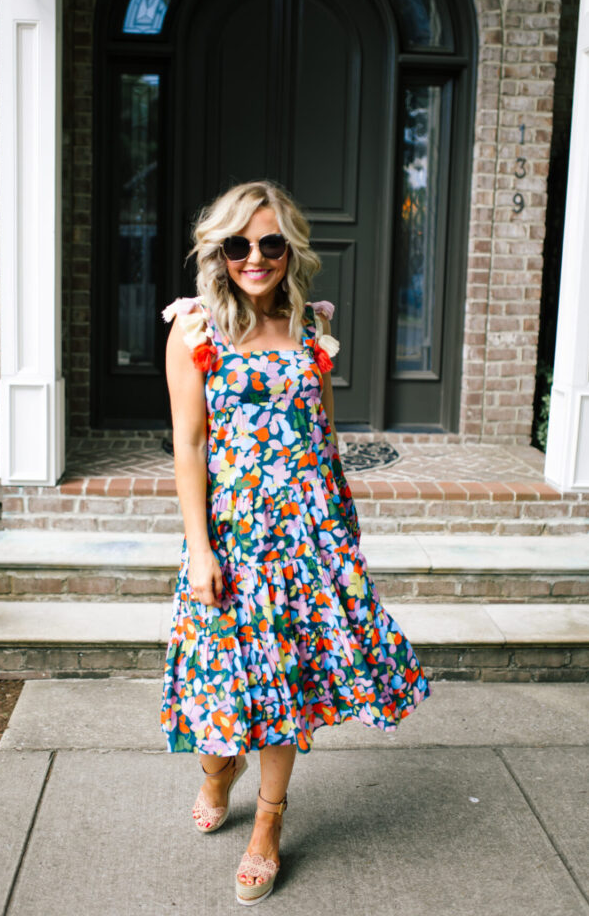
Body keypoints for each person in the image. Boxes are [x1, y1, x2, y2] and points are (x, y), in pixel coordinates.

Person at [160, 179, 431, 906]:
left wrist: (340, 529)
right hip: (233, 537)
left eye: (271, 242)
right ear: (217, 250)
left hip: (306, 536)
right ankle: (219, 773)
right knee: (222, 698)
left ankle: (268, 827)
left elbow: (323, 433)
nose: (256, 257)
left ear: (290, 249)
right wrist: (201, 550)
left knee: (286, 688)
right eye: (239, 244)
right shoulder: (194, 330)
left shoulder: (311, 326)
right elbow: (188, 446)